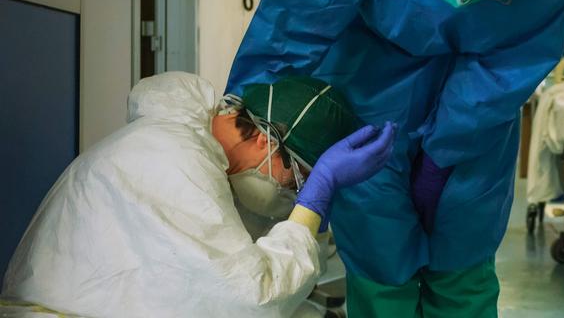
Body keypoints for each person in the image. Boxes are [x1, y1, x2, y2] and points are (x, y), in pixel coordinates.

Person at [226, 0, 564, 316]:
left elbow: (501, 76)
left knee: (462, 249)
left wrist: (440, 156)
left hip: (477, 116)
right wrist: (254, 116)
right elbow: (299, 13)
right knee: (379, 247)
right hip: (366, 78)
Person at [1, 72, 395, 317]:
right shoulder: (176, 162)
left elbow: (246, 252)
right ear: (265, 141)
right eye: (298, 181)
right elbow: (252, 299)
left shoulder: (200, 153)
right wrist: (312, 204)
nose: (292, 194)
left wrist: (312, 220)